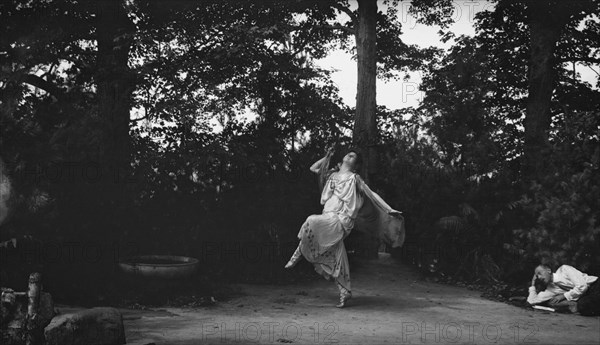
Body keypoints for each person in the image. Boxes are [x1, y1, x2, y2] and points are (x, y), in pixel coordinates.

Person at [285, 147, 404, 308]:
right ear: (342, 161)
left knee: (311, 221)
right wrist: (326, 156)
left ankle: (299, 252)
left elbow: (371, 194)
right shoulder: (332, 176)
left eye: (353, 156)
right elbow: (313, 168)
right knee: (339, 257)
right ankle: (345, 292)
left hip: (341, 219)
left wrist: (388, 209)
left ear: (355, 165)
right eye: (349, 154)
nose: (350, 155)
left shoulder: (354, 178)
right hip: (328, 213)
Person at [527, 264, 599, 316]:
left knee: (584, 305)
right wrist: (532, 284)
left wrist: (563, 296)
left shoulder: (564, 269)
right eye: (537, 276)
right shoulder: (550, 289)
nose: (539, 277)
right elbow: (532, 301)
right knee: (583, 305)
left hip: (595, 285)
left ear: (548, 270)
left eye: (540, 273)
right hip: (586, 295)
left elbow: (582, 286)